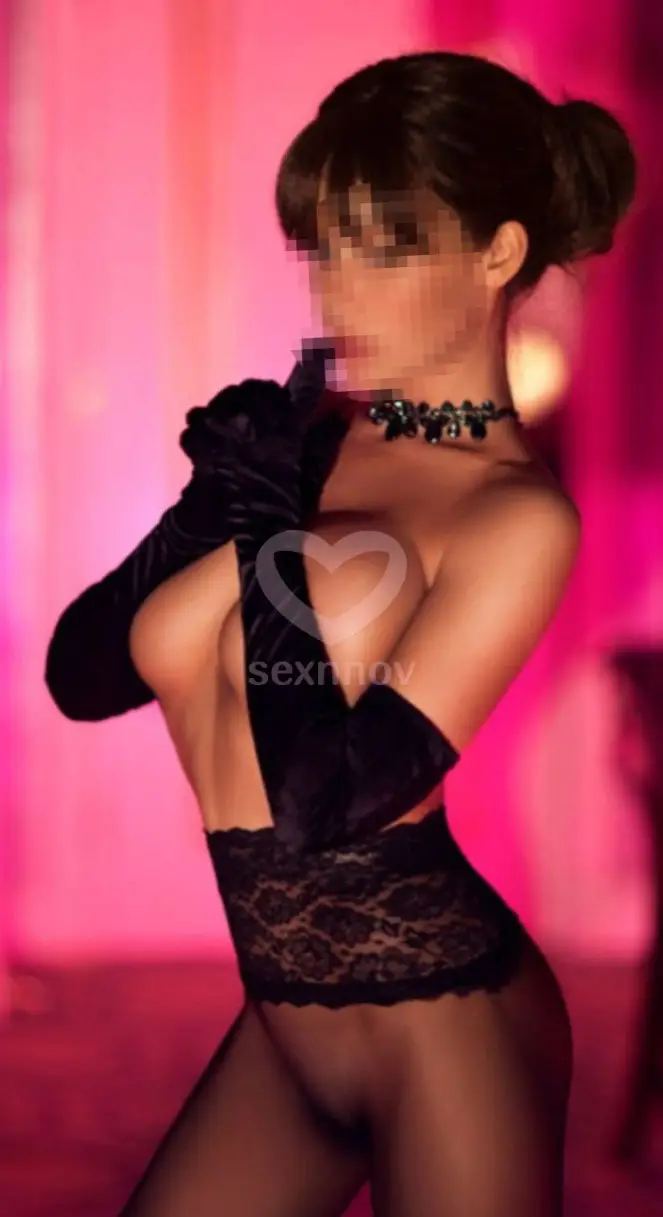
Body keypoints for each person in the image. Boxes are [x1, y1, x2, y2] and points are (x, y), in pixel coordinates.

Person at [45, 50, 635, 1217]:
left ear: (499, 252)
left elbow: (325, 801)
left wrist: (267, 529)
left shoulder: (515, 517)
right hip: (283, 1027)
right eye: (327, 247)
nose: (339, 290)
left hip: (447, 1026)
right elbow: (84, 673)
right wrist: (206, 509)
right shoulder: (311, 439)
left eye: (386, 249)